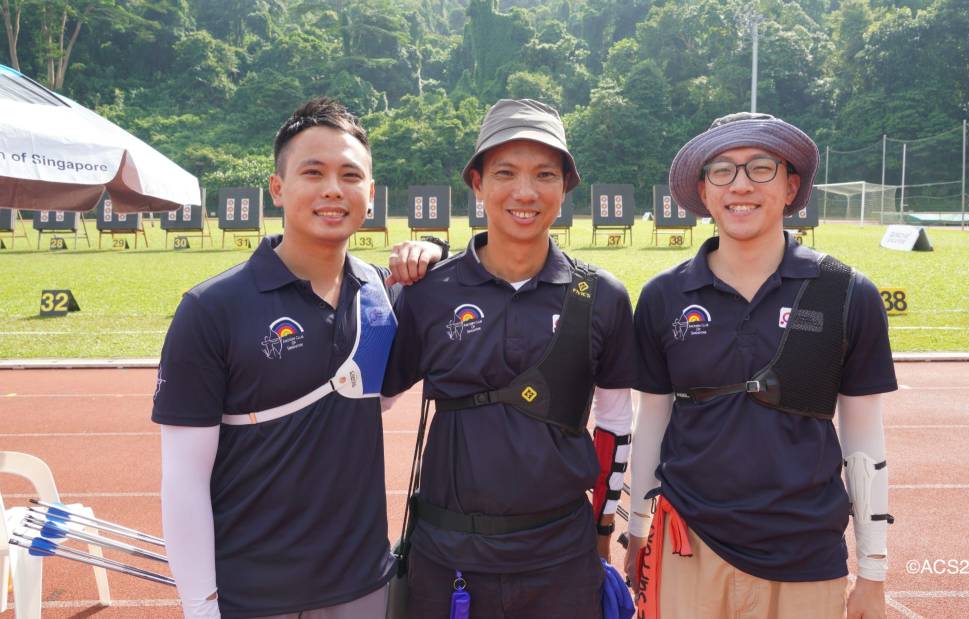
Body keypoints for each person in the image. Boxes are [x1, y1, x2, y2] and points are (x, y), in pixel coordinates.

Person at [153, 97, 445, 619]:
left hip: (363, 586)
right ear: (277, 187)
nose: (333, 189)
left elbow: (378, 394)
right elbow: (183, 480)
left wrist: (434, 253)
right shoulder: (211, 309)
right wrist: (200, 605)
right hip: (254, 595)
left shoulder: (382, 295)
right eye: (313, 172)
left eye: (350, 175)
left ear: (370, 193)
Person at [625, 112, 896, 619]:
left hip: (807, 555)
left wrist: (873, 571)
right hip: (688, 547)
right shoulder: (663, 295)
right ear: (703, 191)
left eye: (761, 167)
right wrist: (638, 528)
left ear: (792, 186)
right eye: (722, 170)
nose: (741, 185)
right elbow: (652, 421)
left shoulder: (847, 293)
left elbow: (864, 440)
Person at [380, 99, 636, 618]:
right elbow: (371, 404)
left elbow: (615, 424)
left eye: (545, 174)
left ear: (565, 186)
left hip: (561, 556)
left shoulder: (602, 296)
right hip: (448, 558)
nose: (525, 192)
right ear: (477, 183)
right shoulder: (429, 291)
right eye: (505, 173)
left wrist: (603, 528)